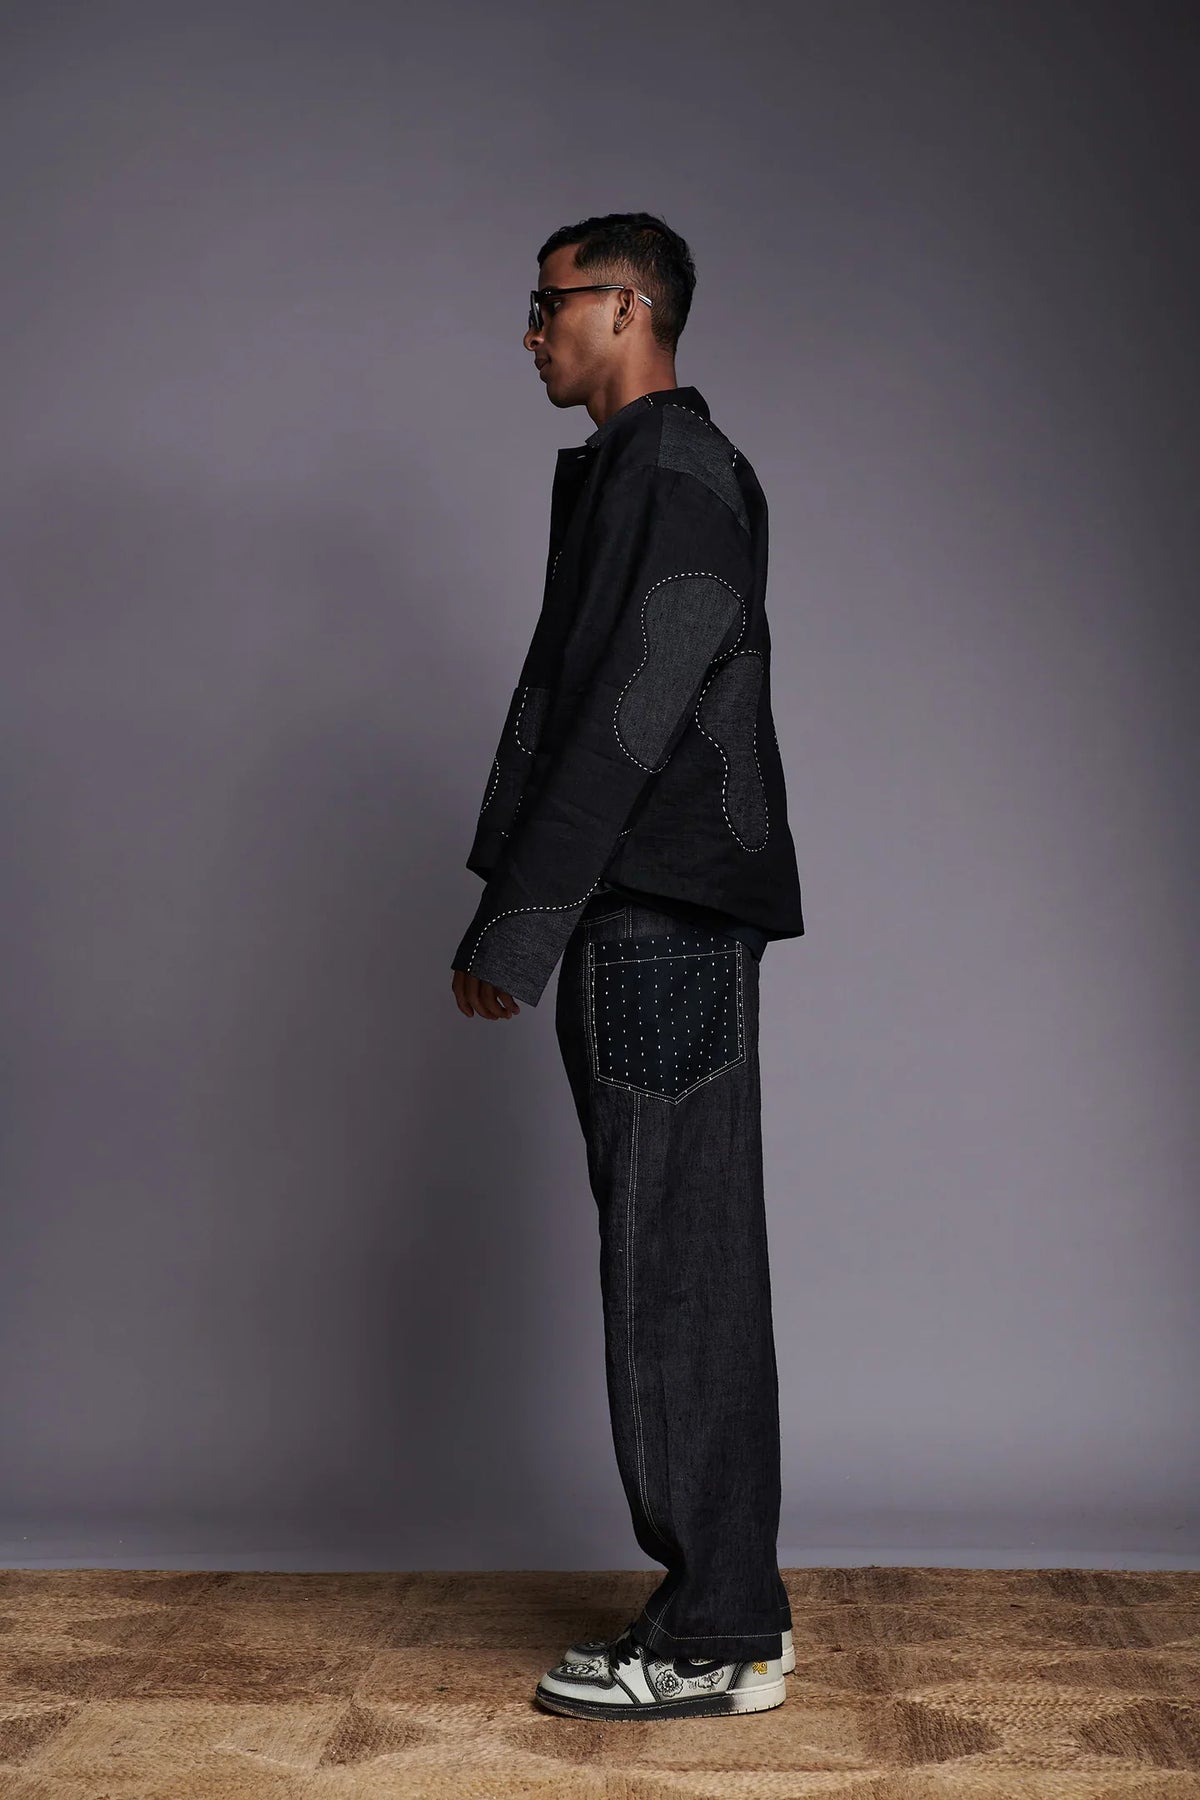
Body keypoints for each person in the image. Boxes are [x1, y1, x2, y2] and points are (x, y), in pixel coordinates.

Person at [449, 212, 805, 1720]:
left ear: (627, 307)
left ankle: (714, 1633)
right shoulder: (653, 471)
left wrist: (518, 923)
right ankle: (731, 1612)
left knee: (675, 1265)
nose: (530, 331)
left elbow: (632, 707)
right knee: (685, 1254)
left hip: (651, 910)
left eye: (548, 304)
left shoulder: (670, 468)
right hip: (658, 908)